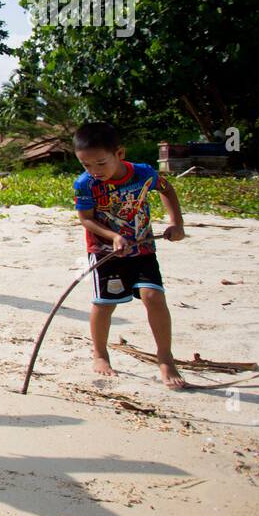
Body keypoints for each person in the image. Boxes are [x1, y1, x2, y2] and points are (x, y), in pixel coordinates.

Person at [73, 121, 187, 389]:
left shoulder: (143, 174)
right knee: (104, 304)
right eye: (86, 165)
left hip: (143, 248)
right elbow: (86, 220)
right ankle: (100, 354)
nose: (94, 171)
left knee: (154, 297)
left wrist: (176, 222)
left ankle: (165, 358)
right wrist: (113, 237)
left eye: (101, 163)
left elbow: (166, 188)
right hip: (105, 253)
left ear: (120, 154)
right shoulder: (85, 184)